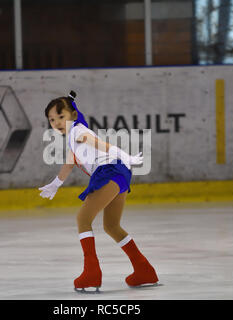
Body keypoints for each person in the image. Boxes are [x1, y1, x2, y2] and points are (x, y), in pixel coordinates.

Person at [39, 90, 158, 293]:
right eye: (52, 119)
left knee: (83, 219)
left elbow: (97, 143)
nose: (57, 122)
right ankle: (144, 270)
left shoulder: (78, 131)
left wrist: (123, 154)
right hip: (119, 172)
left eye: (61, 116)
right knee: (112, 226)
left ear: (73, 115)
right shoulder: (73, 136)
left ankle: (91, 273)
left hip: (109, 170)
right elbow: (69, 163)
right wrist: (55, 183)